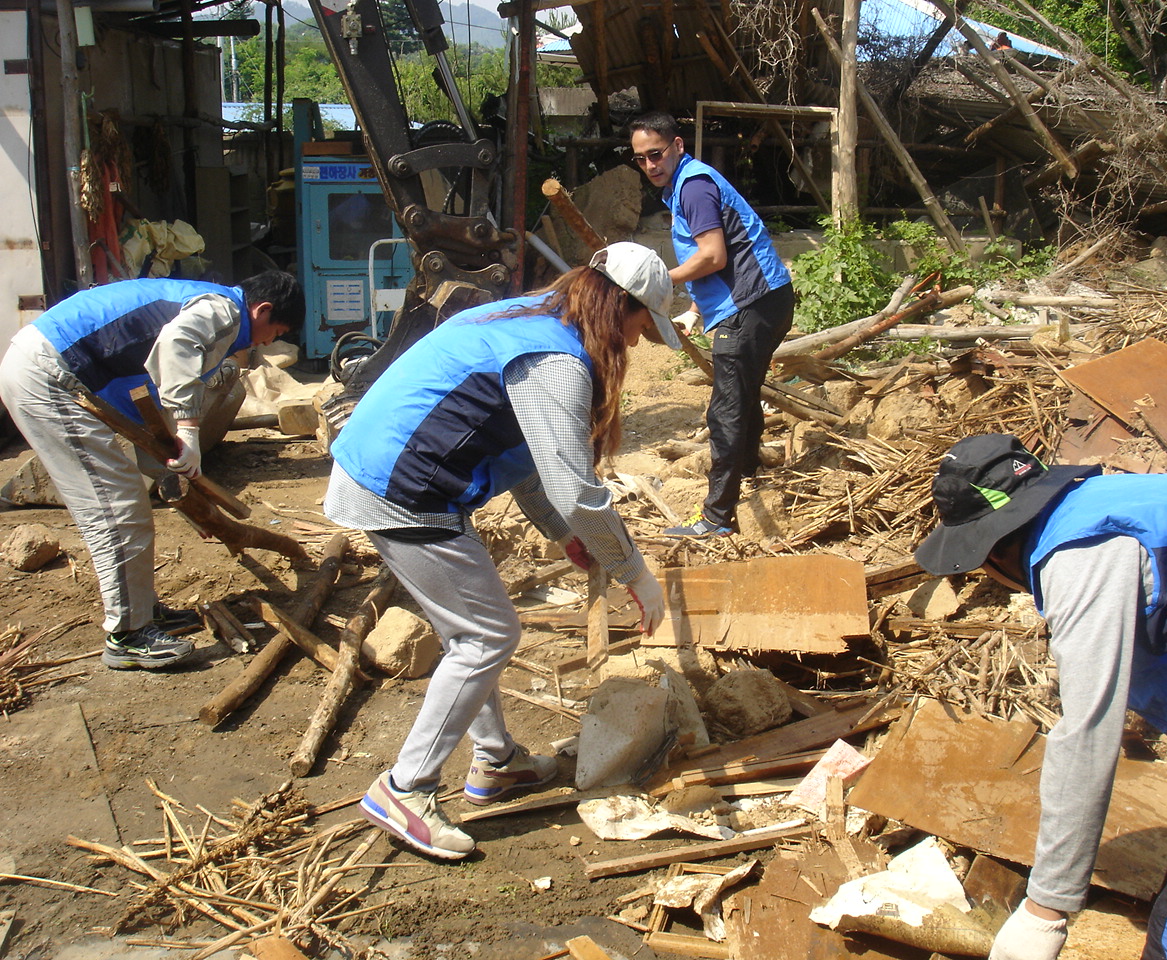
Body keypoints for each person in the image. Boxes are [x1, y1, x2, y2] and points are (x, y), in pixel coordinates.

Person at [325, 241, 679, 861]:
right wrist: (634, 571)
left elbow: (531, 466)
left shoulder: (529, 316)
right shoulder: (556, 360)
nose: (637, 341)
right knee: (488, 636)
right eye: (642, 324)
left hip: (396, 475)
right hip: (400, 488)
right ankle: (405, 788)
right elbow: (574, 486)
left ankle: (496, 762)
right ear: (617, 304)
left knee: (472, 629)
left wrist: (565, 535)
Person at [914, 433, 1167, 960]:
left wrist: (1045, 913)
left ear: (993, 550)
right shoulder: (1138, 507)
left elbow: (1089, 730)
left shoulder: (1081, 556)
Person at [0, 271, 304, 671]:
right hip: (50, 377)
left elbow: (153, 433)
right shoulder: (222, 310)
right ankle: (127, 635)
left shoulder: (205, 309)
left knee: (124, 501)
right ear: (261, 310)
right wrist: (190, 429)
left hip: (57, 372)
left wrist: (188, 498)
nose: (266, 342)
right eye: (273, 331)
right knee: (115, 509)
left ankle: (141, 609)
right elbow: (177, 346)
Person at [628, 111, 795, 538]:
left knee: (725, 412)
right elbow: (722, 263)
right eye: (642, 159)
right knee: (744, 395)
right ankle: (751, 471)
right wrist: (696, 311)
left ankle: (716, 518)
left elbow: (714, 256)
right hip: (766, 301)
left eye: (656, 154)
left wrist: (659, 280)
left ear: (677, 146)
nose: (651, 165)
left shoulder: (693, 187)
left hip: (750, 308)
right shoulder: (689, 182)